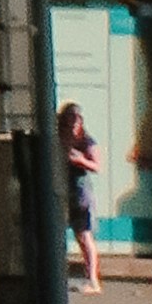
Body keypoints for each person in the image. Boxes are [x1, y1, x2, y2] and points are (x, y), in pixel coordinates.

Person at [58, 100, 100, 289]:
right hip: (65, 191)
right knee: (77, 235)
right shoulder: (60, 140)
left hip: (81, 192)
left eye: (76, 121)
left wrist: (81, 161)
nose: (73, 125)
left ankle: (93, 279)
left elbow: (97, 166)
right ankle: (86, 276)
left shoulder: (86, 141)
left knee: (85, 235)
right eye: (69, 121)